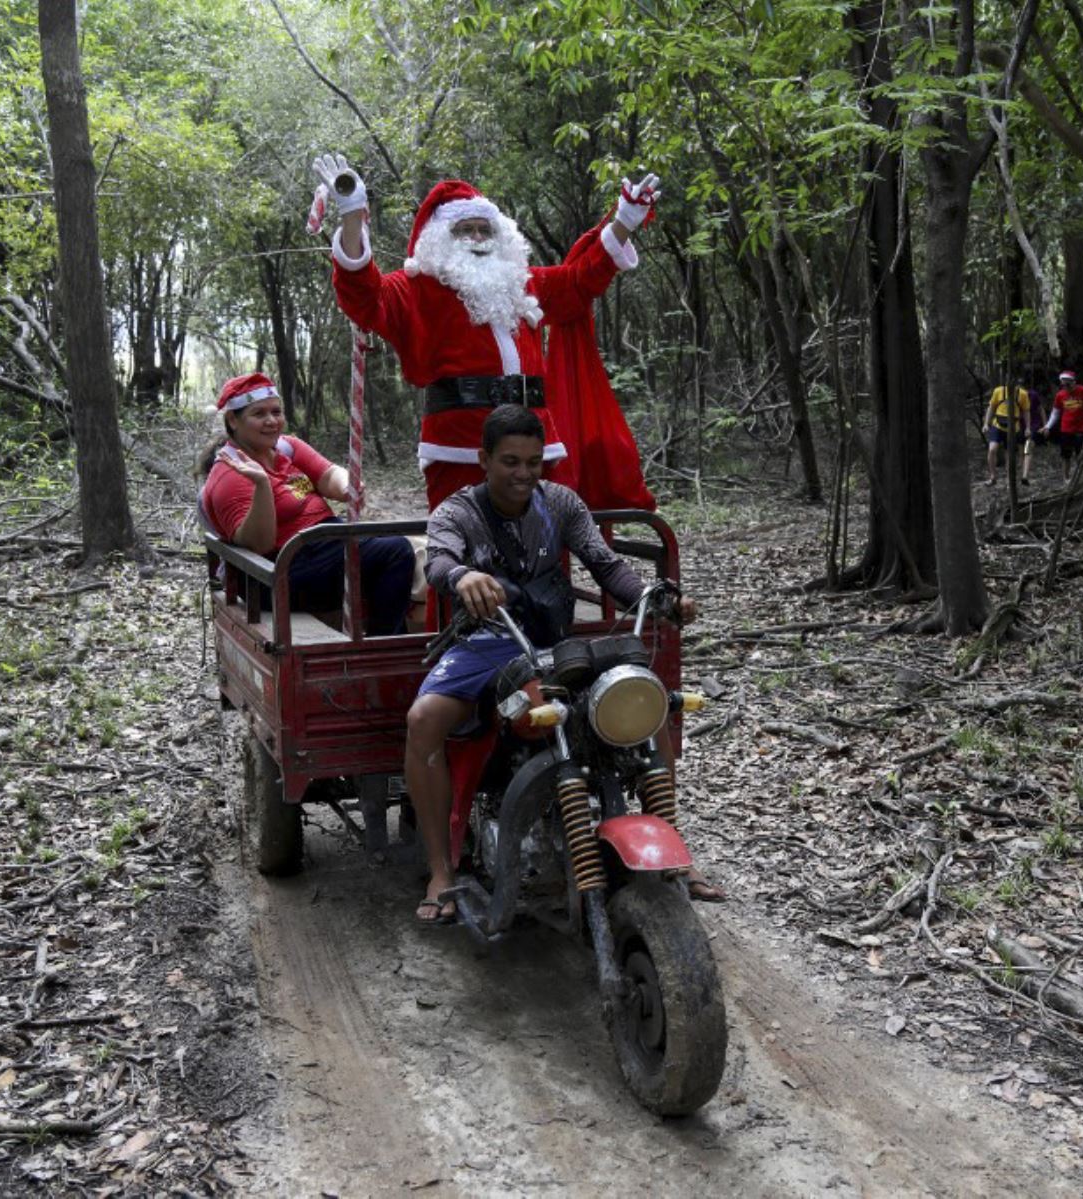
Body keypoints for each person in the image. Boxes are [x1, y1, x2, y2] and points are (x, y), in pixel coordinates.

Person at [404, 405, 707, 923]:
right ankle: (441, 870)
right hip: (488, 641)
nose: (523, 474)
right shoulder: (457, 511)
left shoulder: (560, 502)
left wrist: (655, 601)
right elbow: (438, 560)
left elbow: (604, 563)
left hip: (552, 641)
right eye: (509, 462)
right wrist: (461, 577)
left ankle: (676, 856)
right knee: (422, 720)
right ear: (484, 459)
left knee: (640, 696)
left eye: (532, 462)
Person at [311, 153, 659, 509]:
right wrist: (353, 217)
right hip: (461, 447)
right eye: (464, 230)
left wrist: (624, 222)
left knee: (545, 551)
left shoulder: (522, 282)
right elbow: (364, 298)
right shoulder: (417, 287)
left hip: (534, 443)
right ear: (440, 237)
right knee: (467, 554)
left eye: (484, 229)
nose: (477, 237)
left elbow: (579, 281)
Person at [199, 372, 415, 635]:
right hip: (283, 569)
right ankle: (385, 647)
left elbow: (328, 474)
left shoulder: (286, 447)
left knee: (416, 545)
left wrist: (347, 484)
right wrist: (262, 486)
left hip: (324, 544)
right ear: (233, 420)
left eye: (276, 412)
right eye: (259, 414)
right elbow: (259, 544)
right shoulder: (229, 475)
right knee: (395, 551)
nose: (271, 421)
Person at [1043, 369, 1083, 481]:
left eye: (1067, 384)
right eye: (1063, 385)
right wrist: (1048, 426)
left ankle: (1081, 477)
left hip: (1082, 429)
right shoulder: (1060, 395)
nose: (1065, 387)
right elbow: (1055, 413)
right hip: (1066, 429)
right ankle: (1066, 478)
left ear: (1073, 382)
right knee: (1066, 455)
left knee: (1082, 454)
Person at [981, 383, 1031, 485]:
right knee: (992, 449)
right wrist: (986, 423)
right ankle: (993, 476)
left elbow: (1026, 411)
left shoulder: (1022, 394)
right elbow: (991, 407)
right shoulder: (998, 391)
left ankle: (1009, 480)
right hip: (997, 426)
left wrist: (1028, 427)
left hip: (1013, 428)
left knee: (1009, 455)